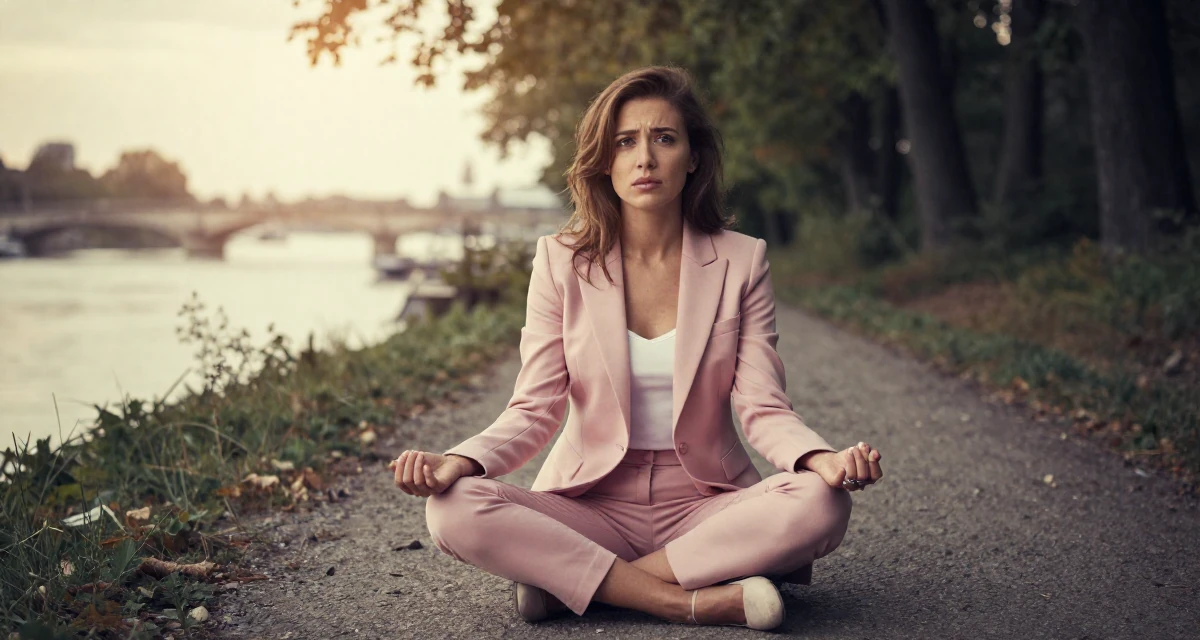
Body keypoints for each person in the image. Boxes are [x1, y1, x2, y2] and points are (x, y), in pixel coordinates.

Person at [387, 65, 884, 631]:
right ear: (605, 159)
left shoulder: (743, 262)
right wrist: (459, 461)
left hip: (705, 506)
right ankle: (689, 598)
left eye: (664, 139)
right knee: (451, 508)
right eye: (626, 142)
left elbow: (763, 407)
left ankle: (581, 586)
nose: (644, 158)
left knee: (823, 503)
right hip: (589, 504)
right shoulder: (561, 261)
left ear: (692, 157)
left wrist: (824, 461)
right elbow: (535, 408)